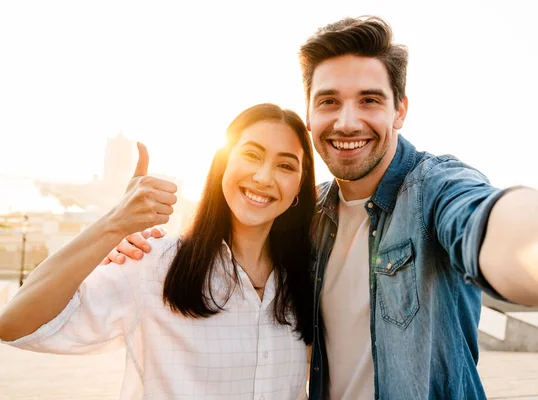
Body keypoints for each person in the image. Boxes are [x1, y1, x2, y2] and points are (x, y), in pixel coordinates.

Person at [83, 16, 538, 400]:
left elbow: (486, 225)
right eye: (329, 101)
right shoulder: (308, 220)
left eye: (371, 100)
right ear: (309, 114)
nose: (348, 121)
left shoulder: (434, 189)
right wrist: (124, 237)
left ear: (400, 108)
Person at [0, 103, 317, 399]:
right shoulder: (154, 264)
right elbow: (15, 324)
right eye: (251, 154)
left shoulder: (306, 281)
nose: (263, 177)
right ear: (223, 163)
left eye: (286, 165)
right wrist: (115, 225)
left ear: (299, 185)